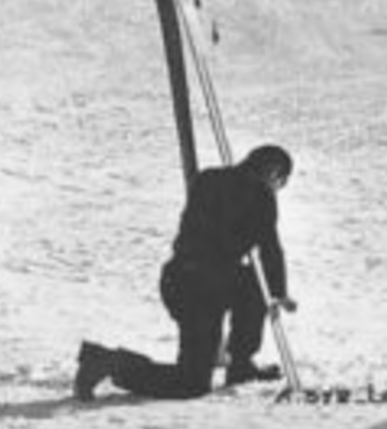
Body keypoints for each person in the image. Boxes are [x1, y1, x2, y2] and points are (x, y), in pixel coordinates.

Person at [74, 145, 297, 400]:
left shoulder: (208, 178)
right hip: (201, 291)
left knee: (251, 283)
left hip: (182, 278)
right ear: (274, 172)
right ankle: (107, 362)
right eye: (281, 182)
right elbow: (269, 247)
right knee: (191, 384)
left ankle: (241, 365)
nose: (278, 188)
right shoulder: (260, 195)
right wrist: (279, 293)